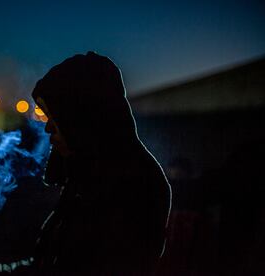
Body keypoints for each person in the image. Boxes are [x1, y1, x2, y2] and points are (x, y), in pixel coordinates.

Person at [30, 52, 171, 275]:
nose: (48, 128)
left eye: (55, 117)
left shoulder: (133, 186)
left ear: (81, 117)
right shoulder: (87, 176)